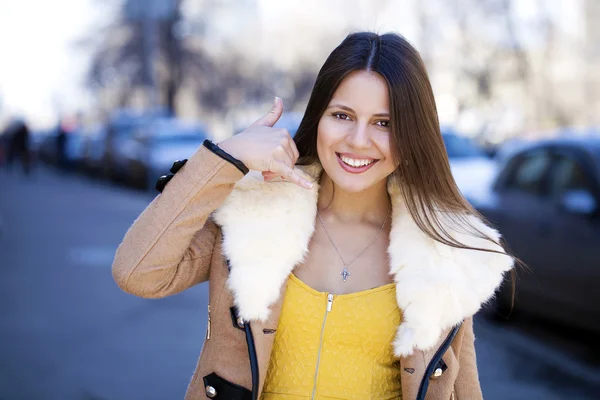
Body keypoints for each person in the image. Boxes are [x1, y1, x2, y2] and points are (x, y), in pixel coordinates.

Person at [112, 32, 513, 400]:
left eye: (384, 123)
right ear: (318, 118)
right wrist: (226, 159)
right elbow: (138, 272)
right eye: (342, 115)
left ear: (412, 133)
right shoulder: (252, 216)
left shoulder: (443, 250)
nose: (358, 140)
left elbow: (465, 390)